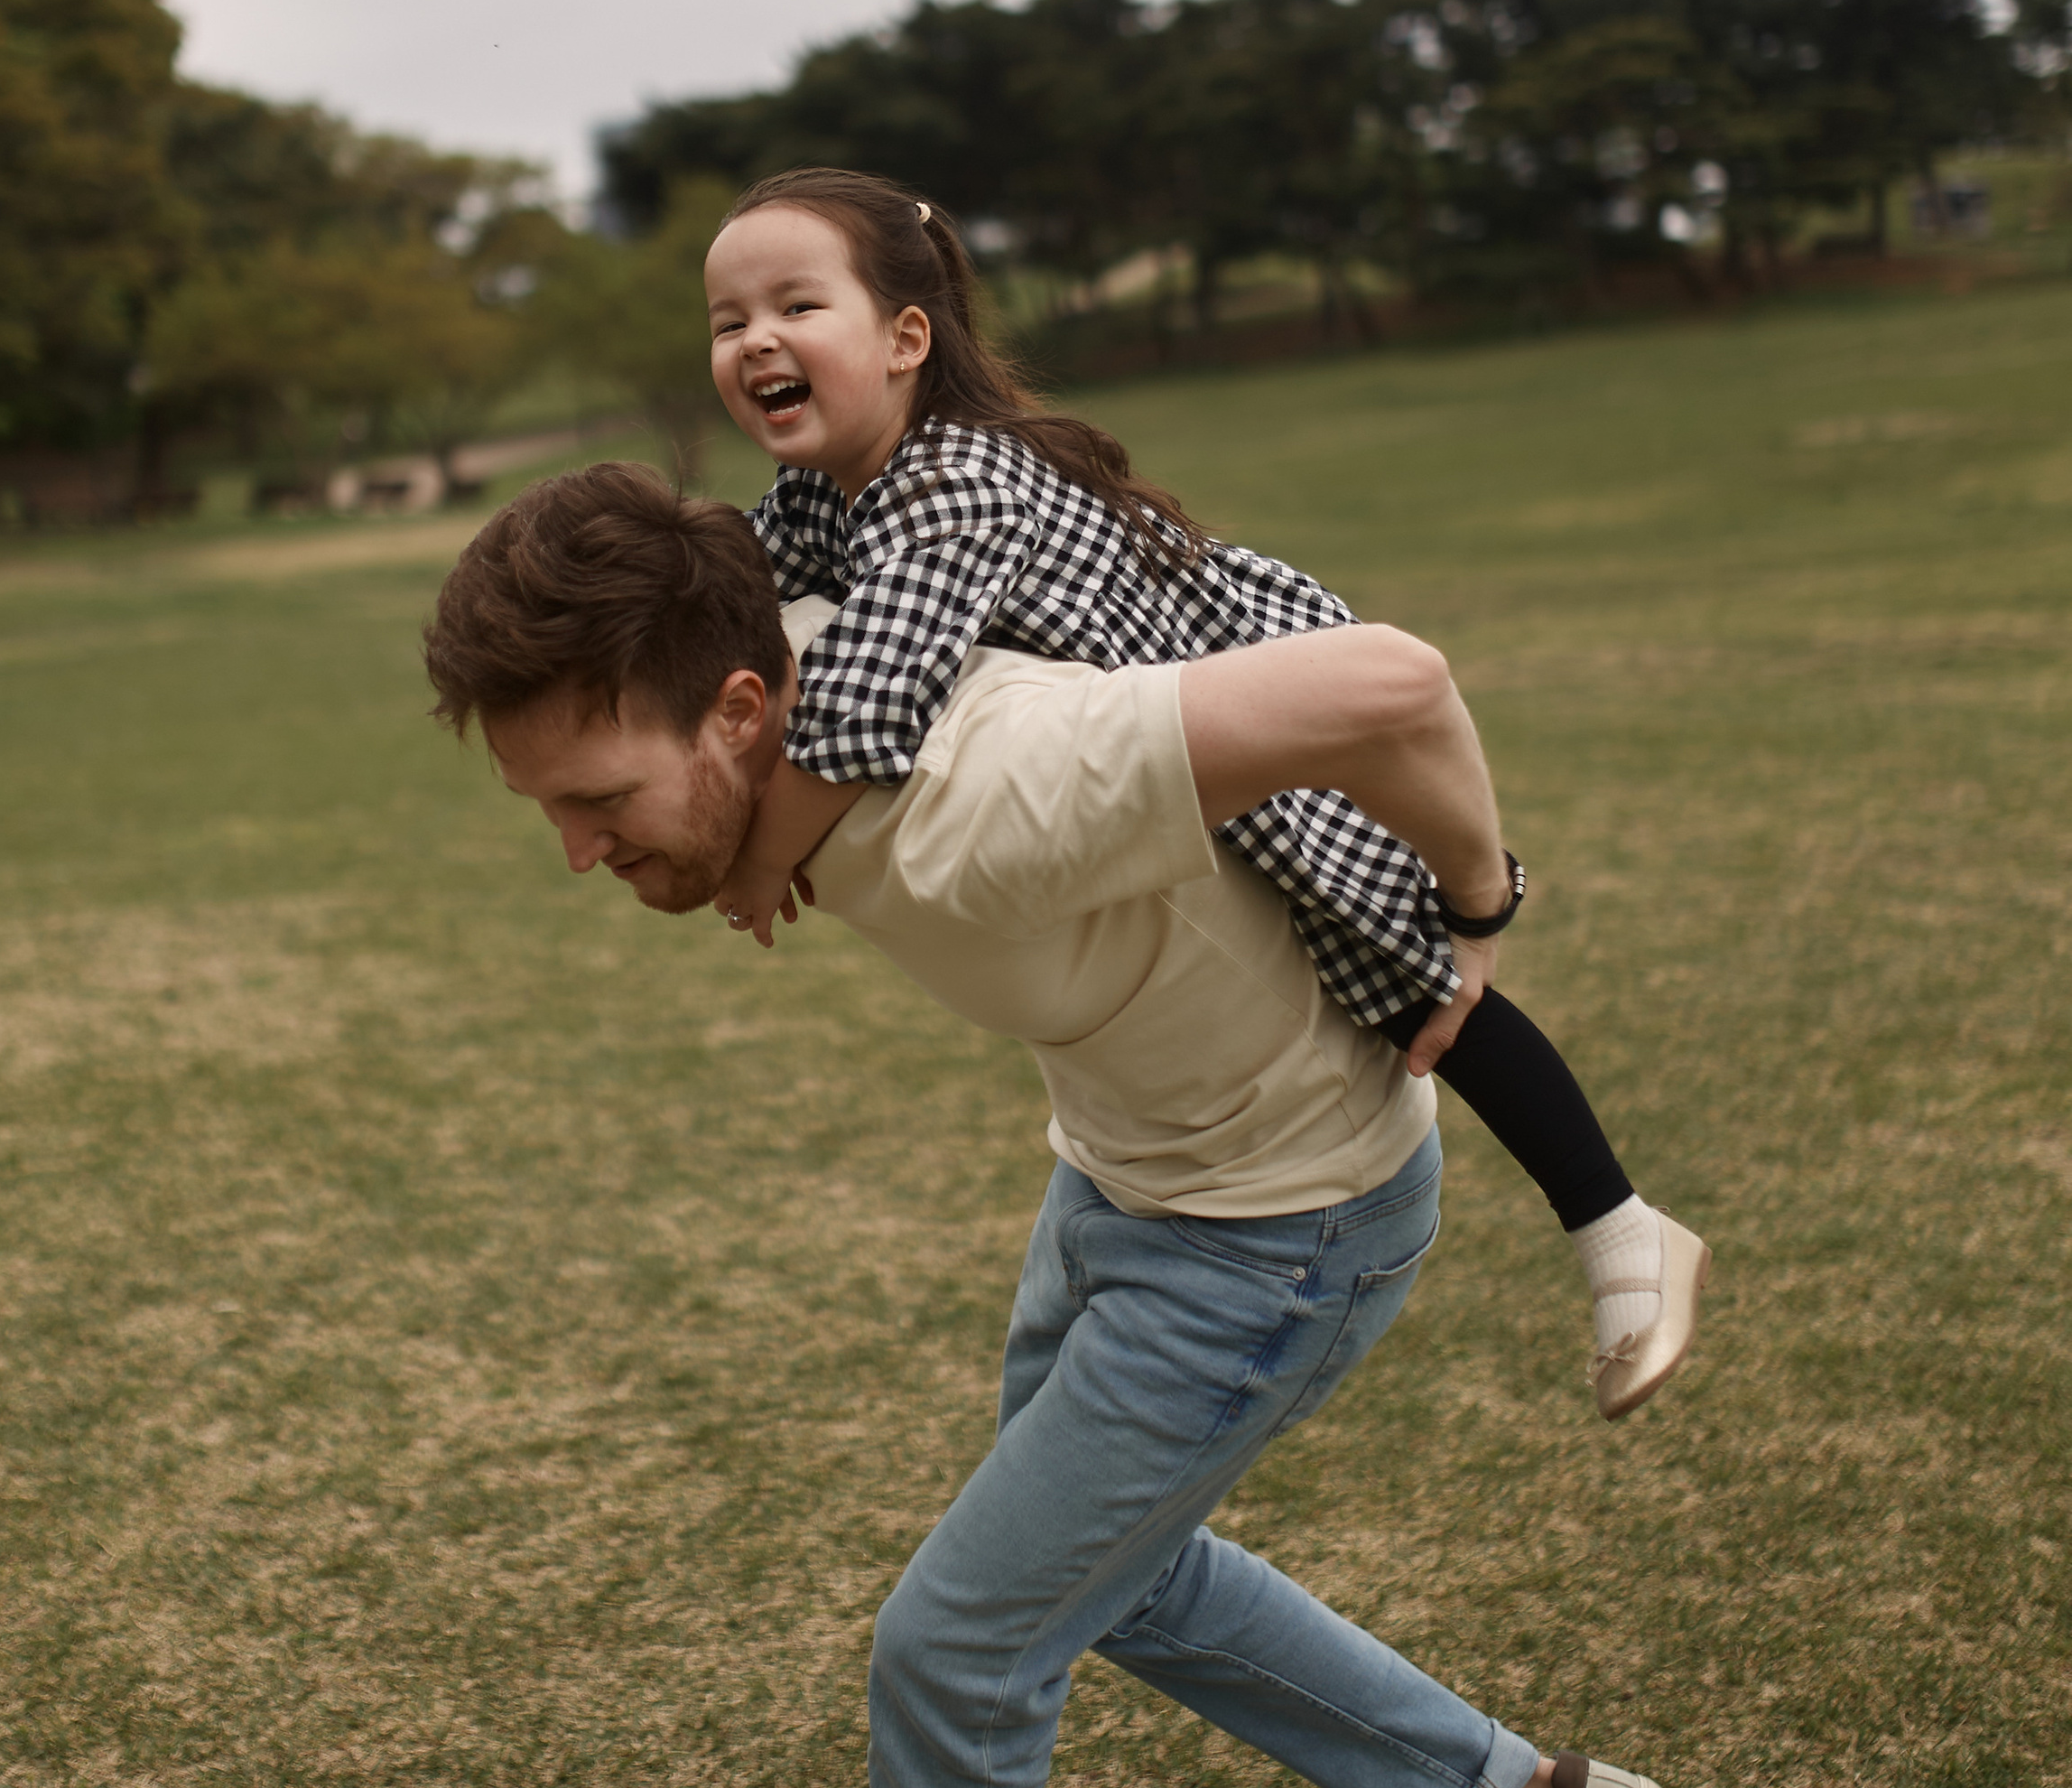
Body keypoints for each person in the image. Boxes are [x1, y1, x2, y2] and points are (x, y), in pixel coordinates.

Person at [422, 463, 1673, 1788]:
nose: (573, 850)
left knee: (954, 1645)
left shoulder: (981, 783)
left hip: (1276, 1234)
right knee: (1118, 1584)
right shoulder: (776, 665)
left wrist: (1472, 910)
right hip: (1127, 1179)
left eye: (598, 799)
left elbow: (1384, 683)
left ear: (741, 709)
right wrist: (725, 832)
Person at [702, 167, 1707, 1423]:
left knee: (1402, 968)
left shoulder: (951, 483)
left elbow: (864, 713)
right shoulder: (817, 495)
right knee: (1372, 962)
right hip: (1158, 721)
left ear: (906, 339)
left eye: (796, 306)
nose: (756, 343)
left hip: (1237, 686)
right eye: (728, 322)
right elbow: (747, 602)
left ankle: (1623, 1229)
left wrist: (747, 869)